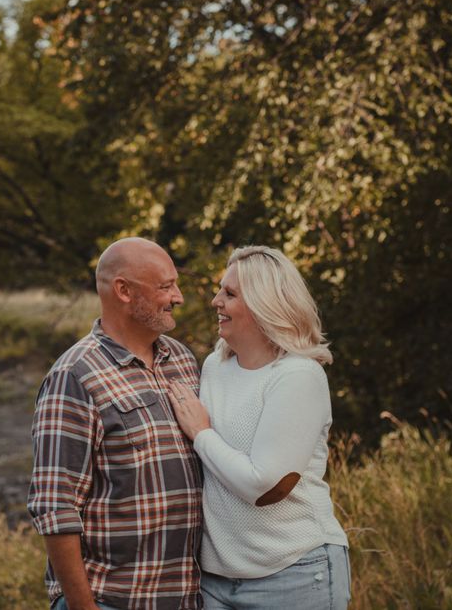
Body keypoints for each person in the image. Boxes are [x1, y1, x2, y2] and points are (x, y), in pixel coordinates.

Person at [167, 245, 351, 610]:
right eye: (221, 289)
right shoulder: (214, 367)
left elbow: (264, 485)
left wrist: (201, 433)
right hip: (216, 581)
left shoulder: (298, 376)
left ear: (264, 304)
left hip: (293, 573)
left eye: (230, 293)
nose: (216, 301)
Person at [28, 237, 204, 610]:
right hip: (113, 600)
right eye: (166, 286)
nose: (179, 296)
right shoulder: (75, 375)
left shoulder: (182, 361)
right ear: (123, 290)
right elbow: (56, 507)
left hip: (186, 598)